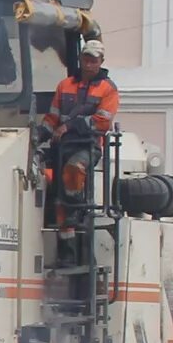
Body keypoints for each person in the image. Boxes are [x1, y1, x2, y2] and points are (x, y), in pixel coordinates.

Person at [38, 32, 122, 225]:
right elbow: (52, 117)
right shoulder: (64, 85)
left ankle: (76, 208)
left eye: (94, 60)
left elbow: (102, 121)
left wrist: (69, 126)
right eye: (86, 59)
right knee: (57, 198)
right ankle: (67, 248)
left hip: (88, 146)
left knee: (74, 169)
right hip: (62, 147)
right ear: (80, 59)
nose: (89, 64)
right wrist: (39, 136)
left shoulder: (108, 89)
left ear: (101, 61)